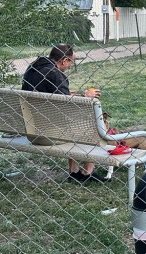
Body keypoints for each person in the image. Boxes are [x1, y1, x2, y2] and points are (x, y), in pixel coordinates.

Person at [21, 44, 107, 183]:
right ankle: (87, 172)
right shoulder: (55, 75)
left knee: (70, 121)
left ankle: (73, 171)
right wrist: (86, 97)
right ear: (64, 60)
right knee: (91, 121)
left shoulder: (33, 69)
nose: (70, 66)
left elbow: (53, 95)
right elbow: (67, 106)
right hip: (49, 134)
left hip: (32, 131)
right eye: (71, 62)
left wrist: (76, 93)